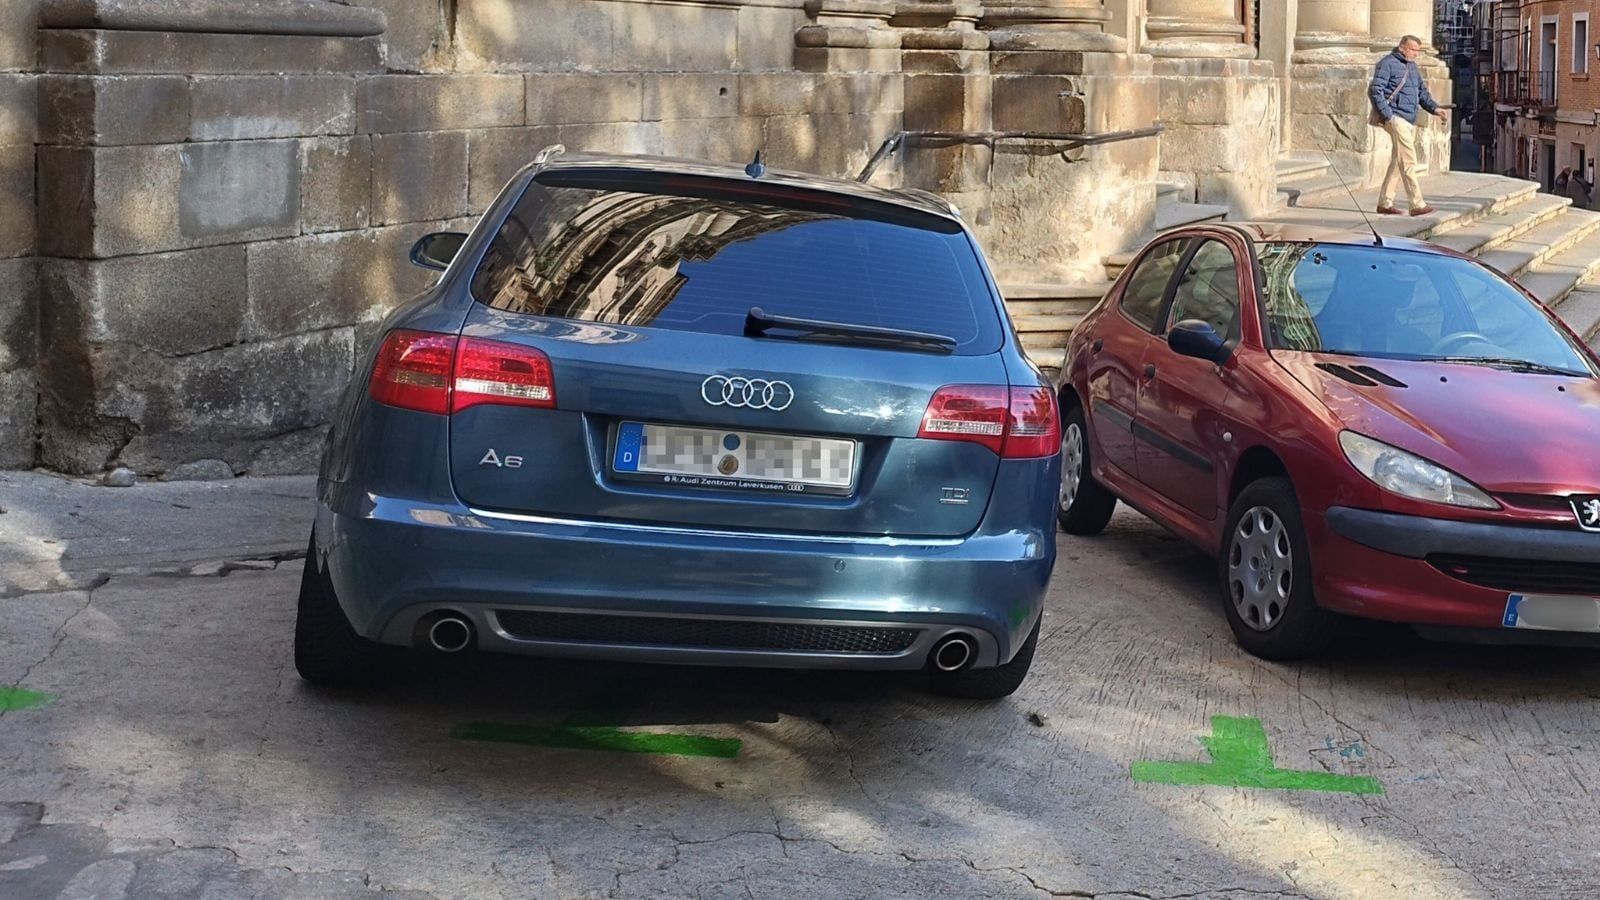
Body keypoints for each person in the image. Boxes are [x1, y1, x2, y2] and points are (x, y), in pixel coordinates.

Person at [1369, 35, 1446, 216]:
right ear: (1402, 47)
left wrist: (1435, 109)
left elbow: (1421, 92)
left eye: (1418, 51)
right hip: (1396, 118)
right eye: (1413, 50)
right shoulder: (1387, 63)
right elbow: (1375, 90)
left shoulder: (1412, 67)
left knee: (1398, 161)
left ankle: (1385, 203)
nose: (1416, 54)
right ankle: (1416, 204)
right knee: (1409, 160)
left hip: (1407, 118)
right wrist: (1388, 115)